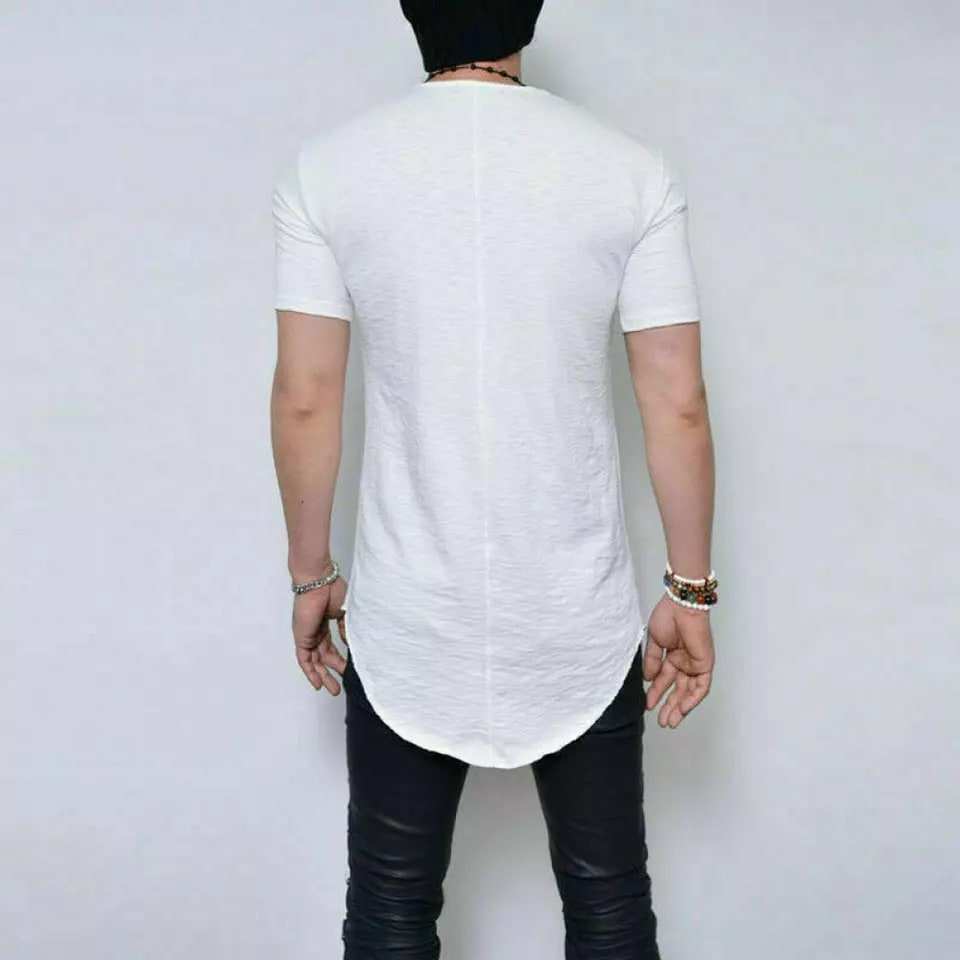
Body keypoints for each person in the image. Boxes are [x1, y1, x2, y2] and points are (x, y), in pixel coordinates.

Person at [270, 2, 717, 956]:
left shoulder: (329, 169)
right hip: (577, 615)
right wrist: (690, 592)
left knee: (390, 908)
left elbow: (307, 397)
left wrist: (312, 575)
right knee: (609, 908)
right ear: (531, 12)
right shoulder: (629, 169)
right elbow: (676, 399)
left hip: (409, 614)